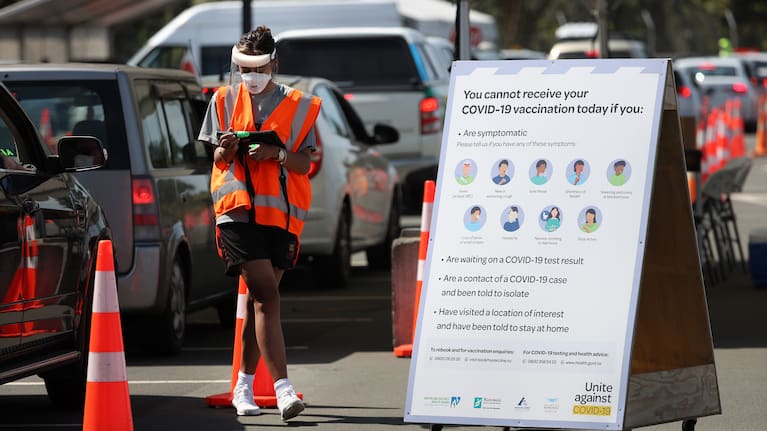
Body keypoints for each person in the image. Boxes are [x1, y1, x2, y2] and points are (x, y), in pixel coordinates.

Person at [197, 26, 321, 421]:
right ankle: (284, 390)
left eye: (257, 69)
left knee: (256, 302)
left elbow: (307, 162)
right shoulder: (223, 98)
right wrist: (225, 150)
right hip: (236, 211)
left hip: (281, 215)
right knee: (267, 296)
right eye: (242, 69)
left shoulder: (301, 106)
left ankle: (243, 387)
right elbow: (215, 160)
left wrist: (276, 153)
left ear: (274, 65)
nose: (249, 77)